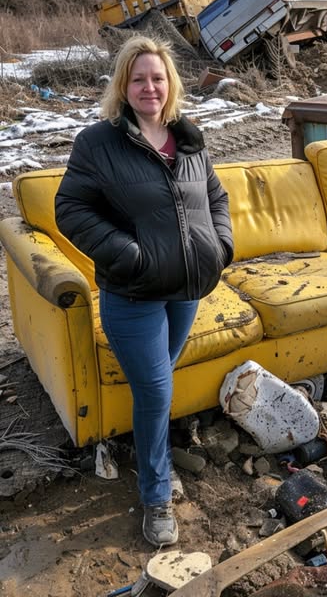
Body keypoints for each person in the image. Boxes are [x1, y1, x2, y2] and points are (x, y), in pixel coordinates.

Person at [55, 35, 234, 547]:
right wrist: (129, 255)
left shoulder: (190, 139)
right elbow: (71, 209)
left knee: (156, 386)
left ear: (170, 83)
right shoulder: (99, 142)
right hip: (132, 292)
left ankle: (145, 448)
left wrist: (220, 245)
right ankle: (157, 496)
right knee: (156, 390)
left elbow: (216, 196)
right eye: (138, 79)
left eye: (157, 78)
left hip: (187, 288)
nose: (149, 87)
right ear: (123, 86)